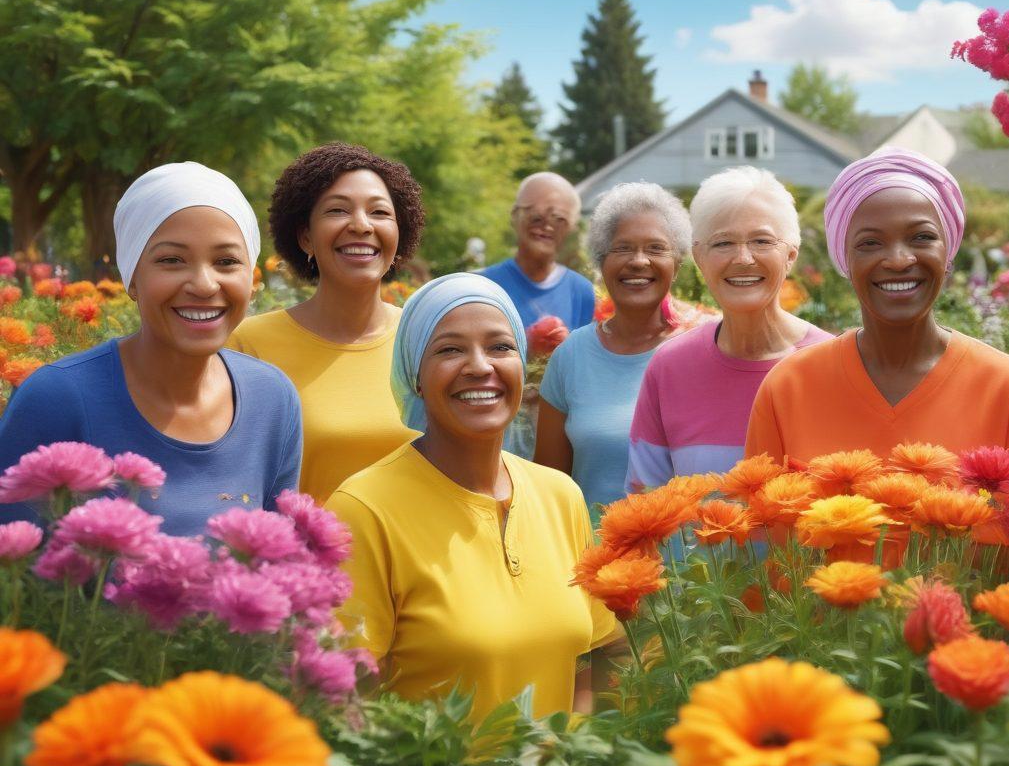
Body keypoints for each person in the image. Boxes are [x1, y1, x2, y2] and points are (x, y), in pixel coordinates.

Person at [328, 273, 616, 719]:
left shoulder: (560, 495)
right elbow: (347, 706)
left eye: (500, 347)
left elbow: (591, 660)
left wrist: (569, 756)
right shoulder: (364, 510)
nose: (480, 366)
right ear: (415, 376)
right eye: (449, 349)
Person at [0, 163, 302, 535]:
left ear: (250, 278)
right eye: (171, 260)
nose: (205, 284)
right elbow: (13, 580)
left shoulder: (272, 399)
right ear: (132, 277)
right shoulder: (56, 400)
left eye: (226, 262)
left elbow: (280, 565)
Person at [744, 147, 1009, 490]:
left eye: (922, 237)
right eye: (870, 243)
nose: (898, 259)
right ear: (845, 260)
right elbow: (759, 536)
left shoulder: (1008, 388)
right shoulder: (788, 388)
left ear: (948, 253)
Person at [228, 143, 424, 504]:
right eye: (337, 210)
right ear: (305, 237)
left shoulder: (426, 341)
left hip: (416, 558)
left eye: (379, 212)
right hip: (304, 557)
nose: (362, 225)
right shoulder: (247, 346)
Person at [626, 167, 832, 489]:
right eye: (723, 243)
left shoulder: (833, 365)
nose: (743, 258)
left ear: (790, 255)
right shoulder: (669, 369)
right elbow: (644, 505)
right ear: (699, 257)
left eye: (762, 241)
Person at [535, 182, 690, 511]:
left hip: (688, 561)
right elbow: (549, 488)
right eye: (622, 248)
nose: (638, 261)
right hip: (594, 556)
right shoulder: (571, 356)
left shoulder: (701, 353)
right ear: (600, 263)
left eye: (656, 248)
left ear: (676, 264)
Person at [478, 172, 592, 331]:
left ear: (571, 228)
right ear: (515, 216)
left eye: (559, 219)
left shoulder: (582, 292)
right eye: (535, 217)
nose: (546, 227)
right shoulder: (482, 286)